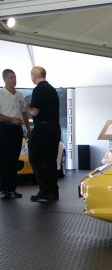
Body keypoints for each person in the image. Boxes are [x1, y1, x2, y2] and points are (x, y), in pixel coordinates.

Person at [27, 66, 61, 202]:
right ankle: (53, 191)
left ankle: (44, 190)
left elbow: (35, 111)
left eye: (31, 75)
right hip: (54, 129)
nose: (31, 78)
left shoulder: (39, 89)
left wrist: (26, 106)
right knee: (50, 160)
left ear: (35, 75)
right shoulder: (52, 90)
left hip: (43, 129)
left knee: (35, 157)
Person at [0, 69, 30, 200]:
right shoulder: (1, 94)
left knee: (13, 159)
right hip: (4, 129)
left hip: (17, 130)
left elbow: (24, 112)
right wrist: (11, 119)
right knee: (4, 159)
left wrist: (28, 128)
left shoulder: (19, 94)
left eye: (15, 77)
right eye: (11, 78)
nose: (14, 80)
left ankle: (12, 188)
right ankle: (4, 189)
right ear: (5, 79)